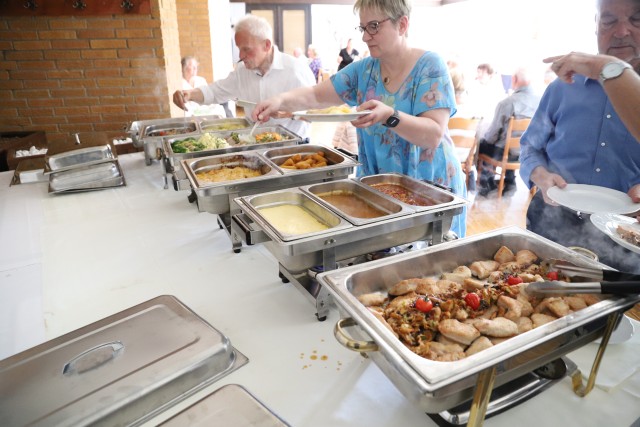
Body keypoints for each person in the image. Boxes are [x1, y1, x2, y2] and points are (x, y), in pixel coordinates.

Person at [252, 0, 467, 237]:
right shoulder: (364, 70)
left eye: (374, 26)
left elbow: (433, 135)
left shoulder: (430, 66)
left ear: (402, 24)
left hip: (428, 186)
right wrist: (280, 101)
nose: (366, 36)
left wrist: (390, 115)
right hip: (382, 185)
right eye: (363, 28)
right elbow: (316, 94)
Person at [520, 0, 640, 273]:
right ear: (595, 24)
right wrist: (538, 173)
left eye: (636, 20)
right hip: (551, 220)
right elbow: (529, 146)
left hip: (623, 233)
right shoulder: (563, 87)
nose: (622, 32)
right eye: (609, 21)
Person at [172, 15, 316, 138]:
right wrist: (188, 94)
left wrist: (289, 112)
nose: (240, 56)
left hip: (294, 147)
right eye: (239, 49)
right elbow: (215, 91)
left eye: (246, 49)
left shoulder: (296, 70)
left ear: (266, 45)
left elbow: (315, 111)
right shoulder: (242, 70)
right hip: (255, 144)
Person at [476, 66, 541, 197]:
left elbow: (492, 135)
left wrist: (483, 139)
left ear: (514, 79)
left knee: (483, 144)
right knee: (512, 146)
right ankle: (510, 181)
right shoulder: (541, 101)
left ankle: (487, 184)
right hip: (531, 152)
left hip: (507, 153)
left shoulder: (507, 103)